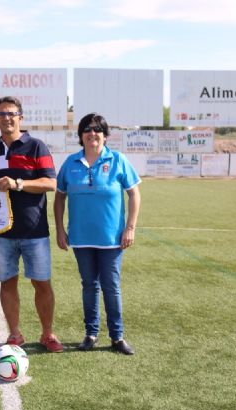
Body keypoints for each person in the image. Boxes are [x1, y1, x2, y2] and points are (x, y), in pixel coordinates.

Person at [53, 113, 141, 355]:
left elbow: (134, 193)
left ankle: (117, 336)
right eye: (87, 130)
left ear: (105, 134)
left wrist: (130, 228)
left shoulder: (118, 160)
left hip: (111, 239)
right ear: (81, 136)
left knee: (111, 286)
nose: (93, 134)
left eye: (97, 130)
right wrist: (60, 229)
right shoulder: (71, 163)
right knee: (89, 285)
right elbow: (59, 196)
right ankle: (91, 333)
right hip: (81, 237)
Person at [0, 96, 63, 353]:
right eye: (2, 113)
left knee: (41, 282)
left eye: (12, 113)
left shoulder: (37, 146)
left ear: (21, 117)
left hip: (34, 230)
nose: (7, 117)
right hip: (1, 231)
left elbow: (51, 184)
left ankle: (48, 333)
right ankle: (15, 334)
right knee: (8, 282)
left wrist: (18, 184)